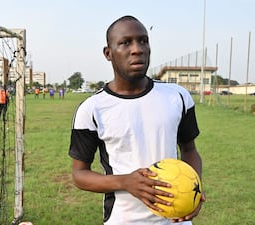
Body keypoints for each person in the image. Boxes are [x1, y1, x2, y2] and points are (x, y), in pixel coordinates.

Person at [68, 16, 205, 225]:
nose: (137, 49)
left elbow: (189, 150)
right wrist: (125, 181)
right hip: (123, 219)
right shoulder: (92, 109)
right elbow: (79, 174)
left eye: (143, 41)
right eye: (125, 42)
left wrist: (194, 190)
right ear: (108, 53)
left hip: (176, 218)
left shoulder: (177, 96)